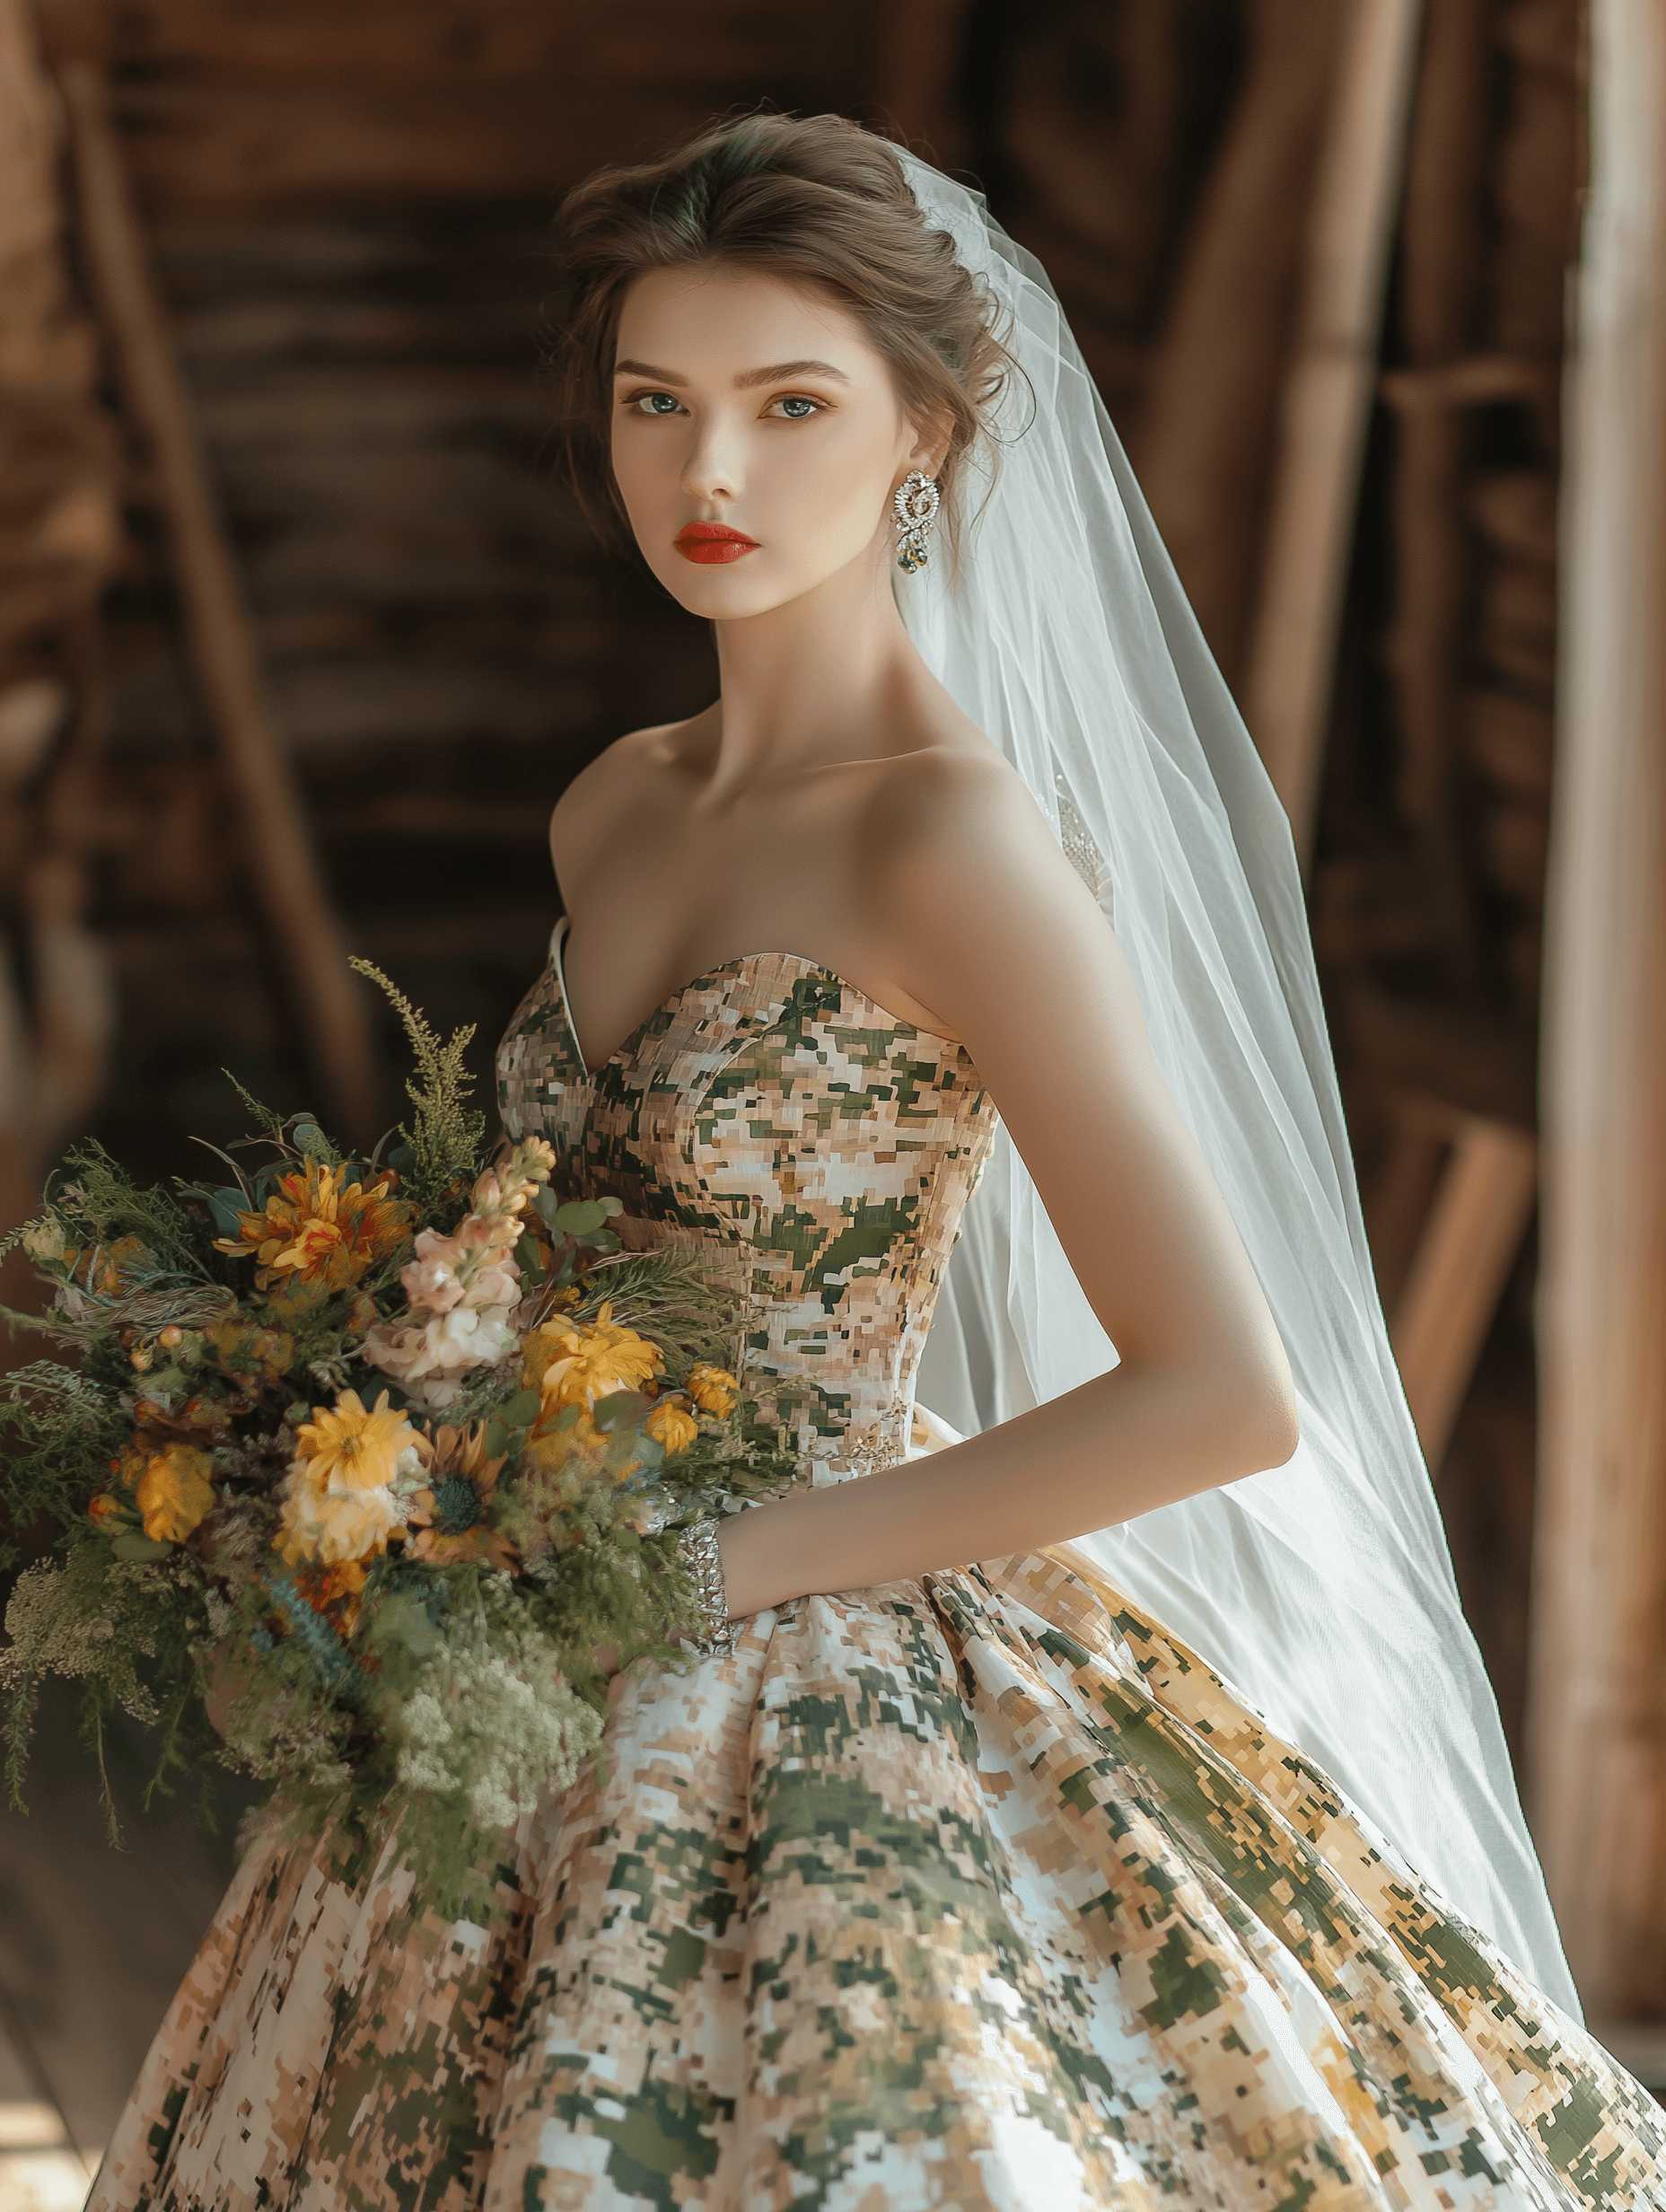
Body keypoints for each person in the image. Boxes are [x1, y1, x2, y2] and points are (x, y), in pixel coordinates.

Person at [88, 113, 1665, 2212]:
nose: (706, 475)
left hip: (819, 1638)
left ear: (926, 425)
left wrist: (726, 1567)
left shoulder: (954, 840)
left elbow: (1221, 1390)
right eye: (657, 403)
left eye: (787, 405)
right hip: (529, 1631)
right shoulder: (614, 804)